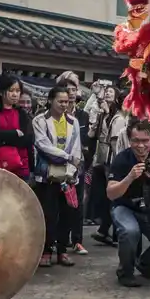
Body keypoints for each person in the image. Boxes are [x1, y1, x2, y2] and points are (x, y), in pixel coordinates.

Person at [107, 118, 150, 287]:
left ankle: (144, 263)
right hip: (125, 206)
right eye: (135, 141)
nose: (140, 146)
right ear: (129, 141)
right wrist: (129, 177)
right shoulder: (122, 159)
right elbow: (110, 193)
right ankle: (125, 272)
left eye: (145, 141)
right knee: (130, 232)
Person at [33, 84, 83, 267]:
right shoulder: (40, 120)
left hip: (67, 174)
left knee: (67, 213)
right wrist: (67, 157)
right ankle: (46, 250)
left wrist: (73, 163)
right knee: (48, 214)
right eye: (60, 101)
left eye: (67, 101)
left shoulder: (73, 121)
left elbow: (77, 145)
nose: (64, 105)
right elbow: (42, 144)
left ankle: (62, 250)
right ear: (50, 101)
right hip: (47, 174)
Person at [55, 71, 90, 255]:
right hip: (58, 163)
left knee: (78, 203)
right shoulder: (53, 113)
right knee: (60, 202)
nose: (70, 92)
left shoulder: (83, 116)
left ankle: (77, 240)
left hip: (78, 163)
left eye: (74, 89)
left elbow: (85, 139)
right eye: (67, 89)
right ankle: (59, 240)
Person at [0, 74, 33, 180]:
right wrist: (15, 133)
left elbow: (27, 139)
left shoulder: (22, 114)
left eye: (17, 91)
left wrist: (0, 134)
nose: (15, 94)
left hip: (21, 168)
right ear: (0, 91)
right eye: (11, 90)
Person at [89, 87, 120, 245]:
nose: (107, 94)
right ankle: (104, 229)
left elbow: (113, 141)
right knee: (102, 196)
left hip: (110, 160)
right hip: (99, 159)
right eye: (106, 91)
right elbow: (91, 135)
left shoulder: (117, 117)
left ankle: (114, 233)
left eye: (110, 92)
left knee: (112, 197)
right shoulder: (102, 114)